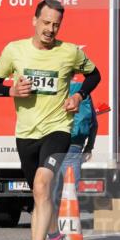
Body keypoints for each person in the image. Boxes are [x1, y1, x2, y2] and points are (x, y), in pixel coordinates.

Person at [0, 0, 101, 240]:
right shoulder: (15, 50)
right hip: (26, 134)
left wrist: (78, 96)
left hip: (58, 130)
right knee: (42, 198)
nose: (50, 29)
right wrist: (11, 91)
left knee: (41, 186)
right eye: (46, 23)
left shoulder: (70, 52)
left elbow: (94, 75)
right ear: (34, 20)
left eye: (56, 25)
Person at [51, 79, 98, 208]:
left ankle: (50, 221)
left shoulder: (52, 88)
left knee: (50, 186)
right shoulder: (83, 92)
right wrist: (89, 147)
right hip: (74, 145)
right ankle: (68, 221)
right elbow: (94, 123)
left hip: (52, 143)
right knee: (70, 187)